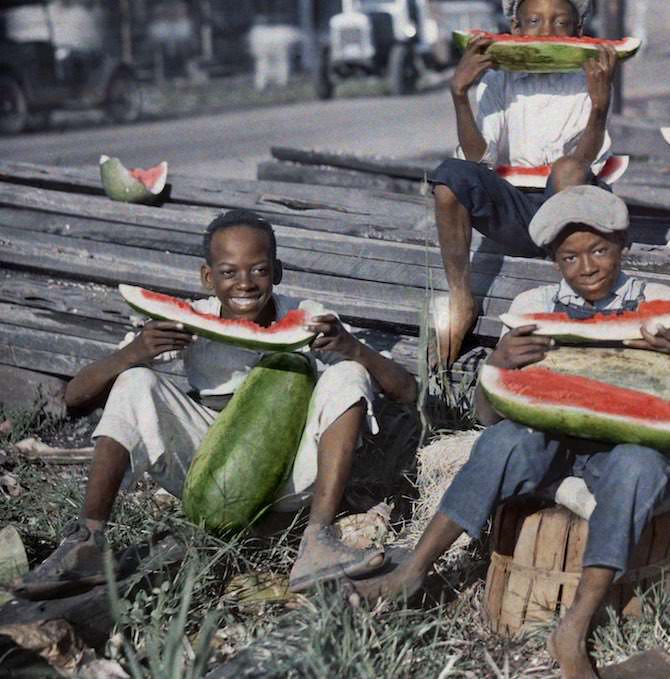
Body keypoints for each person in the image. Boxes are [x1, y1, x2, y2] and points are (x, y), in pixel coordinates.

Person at [379, 186, 670, 679]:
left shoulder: (657, 302)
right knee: (505, 440)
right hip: (549, 447)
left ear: (623, 247)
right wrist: (498, 363)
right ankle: (413, 569)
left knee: (637, 466)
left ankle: (575, 624)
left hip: (629, 446)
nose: (588, 267)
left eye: (600, 250)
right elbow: (488, 415)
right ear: (554, 261)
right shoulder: (534, 304)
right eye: (570, 257)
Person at [14, 209, 419, 598]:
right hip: (207, 472)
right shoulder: (193, 320)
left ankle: (318, 539)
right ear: (208, 278)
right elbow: (74, 397)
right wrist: (135, 351)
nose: (244, 283)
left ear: (276, 272)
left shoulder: (307, 317)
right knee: (135, 381)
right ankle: (88, 539)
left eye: (259, 269)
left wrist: (353, 348)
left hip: (293, 476)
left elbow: (407, 392)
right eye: (228, 273)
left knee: (348, 374)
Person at [429, 0, 619, 365]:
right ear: (514, 28)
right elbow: (479, 157)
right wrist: (459, 95)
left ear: (580, 31)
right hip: (516, 208)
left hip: (574, 208)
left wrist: (600, 107)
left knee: (568, 168)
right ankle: (461, 298)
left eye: (561, 23)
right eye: (533, 21)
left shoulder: (587, 79)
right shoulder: (500, 79)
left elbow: (584, 163)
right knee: (449, 179)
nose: (546, 30)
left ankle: (575, 300)